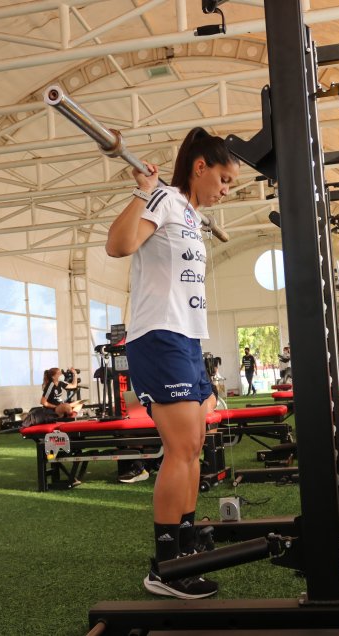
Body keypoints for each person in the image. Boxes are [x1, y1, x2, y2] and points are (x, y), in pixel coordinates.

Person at [106, 126, 239, 599]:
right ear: (200, 166)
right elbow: (118, 246)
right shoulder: (163, 199)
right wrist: (142, 192)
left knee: (195, 448)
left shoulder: (189, 213)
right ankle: (165, 567)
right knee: (181, 449)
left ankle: (185, 547)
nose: (227, 190)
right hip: (159, 336)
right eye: (223, 179)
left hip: (187, 340)